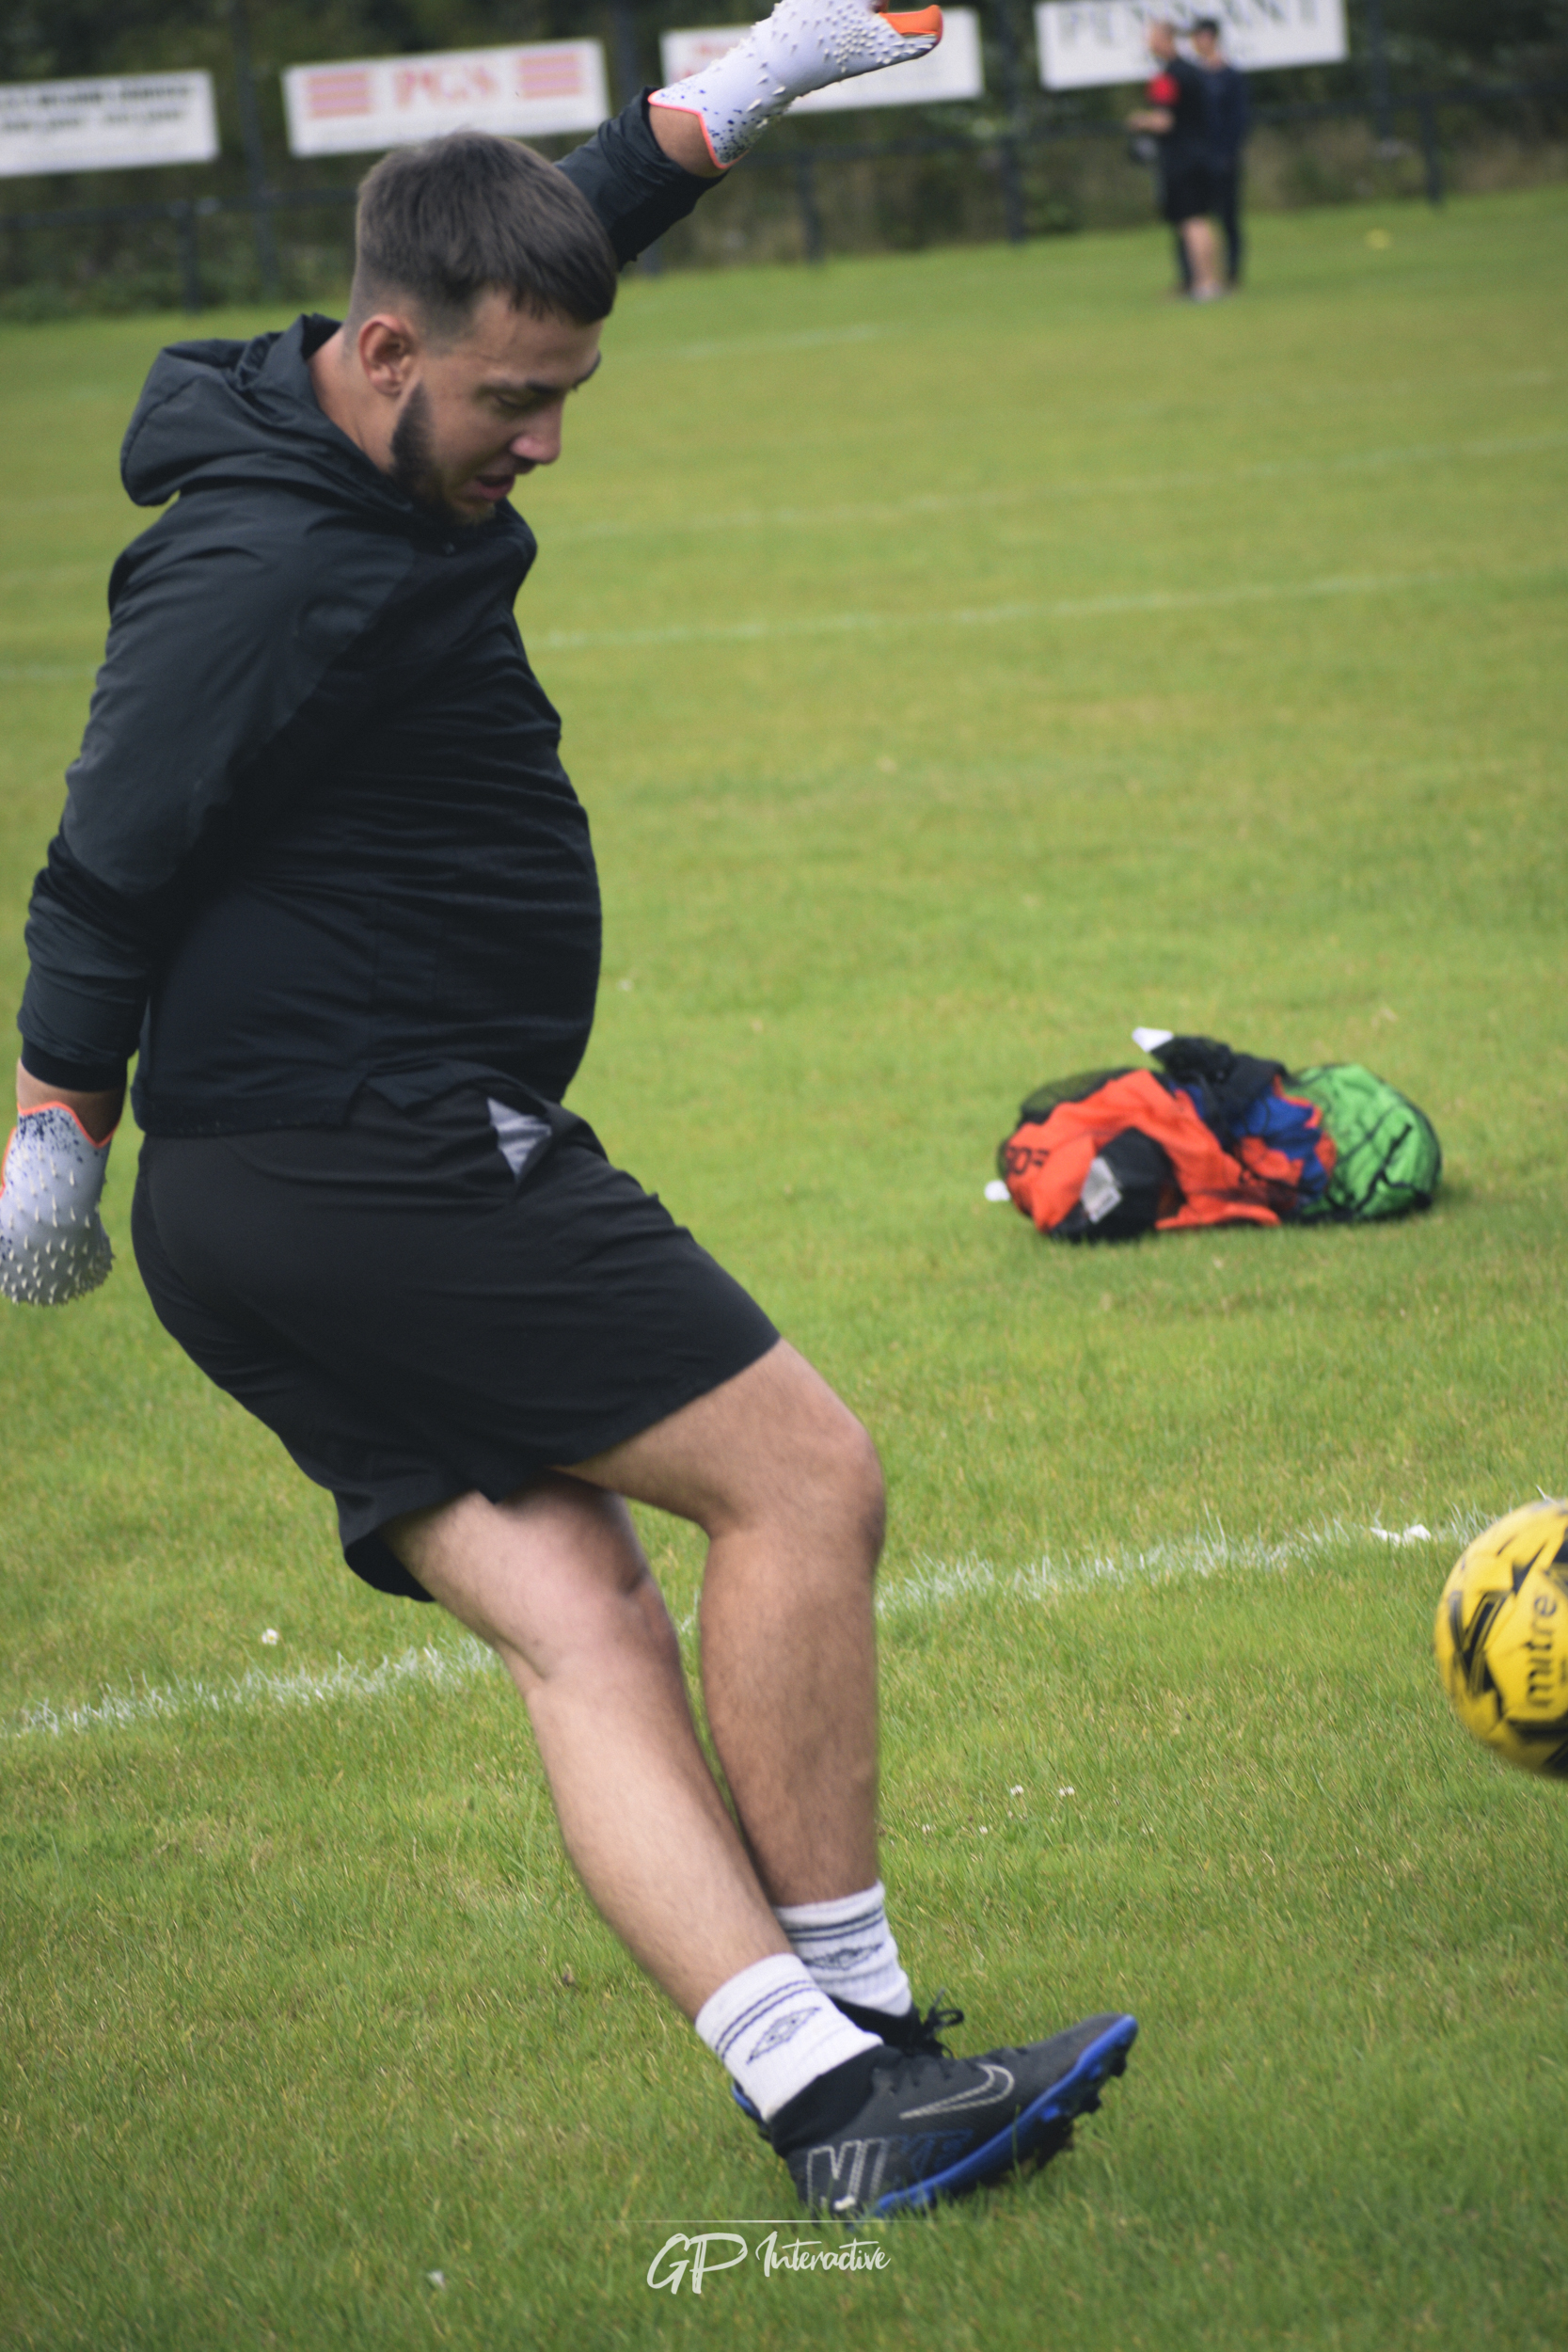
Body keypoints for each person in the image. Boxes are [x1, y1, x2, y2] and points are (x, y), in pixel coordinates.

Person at [0, 0, 1135, 2219]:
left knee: (582, 1618)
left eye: (566, 396)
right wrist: (55, 1121)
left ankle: (830, 2109)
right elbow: (102, 853)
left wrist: (721, 104)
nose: (543, 441)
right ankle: (882, 2030)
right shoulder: (254, 565)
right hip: (368, 1147)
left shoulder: (362, 411)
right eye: (513, 404)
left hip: (271, 1199)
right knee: (801, 1479)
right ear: (383, 352)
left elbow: (543, 253)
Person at [1126, 18, 1223, 301]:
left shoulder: (1166, 77)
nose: (1148, 43)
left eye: (1151, 37)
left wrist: (1140, 120)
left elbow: (1163, 121)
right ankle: (1210, 280)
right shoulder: (1194, 71)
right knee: (1202, 220)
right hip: (1203, 153)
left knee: (1191, 222)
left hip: (1180, 159)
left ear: (1164, 39)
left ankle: (1203, 284)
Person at [1191, 16, 1249, 289]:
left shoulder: (1230, 76)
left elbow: (1239, 119)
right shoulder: (1193, 77)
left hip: (1223, 158)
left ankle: (1232, 273)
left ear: (1212, 38)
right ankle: (1196, 276)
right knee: (1195, 218)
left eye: (1202, 36)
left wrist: (1228, 153)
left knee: (1228, 217)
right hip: (1196, 158)